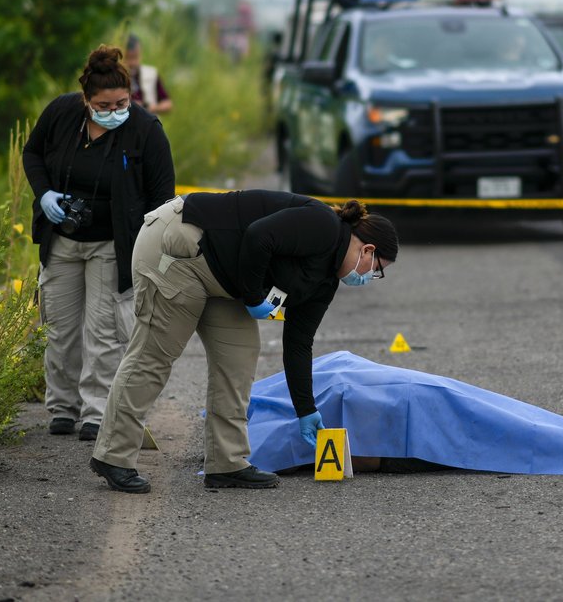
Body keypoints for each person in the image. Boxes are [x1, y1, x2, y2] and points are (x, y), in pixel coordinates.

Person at [89, 190, 399, 493]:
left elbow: (299, 342)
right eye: (377, 271)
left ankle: (226, 463)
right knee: (154, 355)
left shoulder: (324, 282)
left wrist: (306, 409)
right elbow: (258, 236)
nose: (370, 277)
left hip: (224, 274)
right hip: (179, 245)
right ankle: (112, 456)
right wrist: (252, 298)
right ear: (367, 251)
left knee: (239, 355)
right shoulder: (324, 226)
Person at [22, 45, 176, 442]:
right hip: (63, 240)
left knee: (105, 332)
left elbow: (163, 195)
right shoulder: (61, 113)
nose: (114, 111)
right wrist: (44, 195)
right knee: (58, 328)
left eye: (122, 103)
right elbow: (33, 152)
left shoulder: (145, 129)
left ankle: (96, 412)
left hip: (113, 244)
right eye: (103, 105)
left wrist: (153, 252)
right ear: (86, 101)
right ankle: (61, 406)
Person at [124, 34, 173, 114]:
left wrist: (152, 108)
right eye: (127, 58)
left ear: (140, 53)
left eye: (135, 57)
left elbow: (168, 104)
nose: (132, 62)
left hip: (148, 123)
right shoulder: (114, 76)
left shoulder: (151, 74)